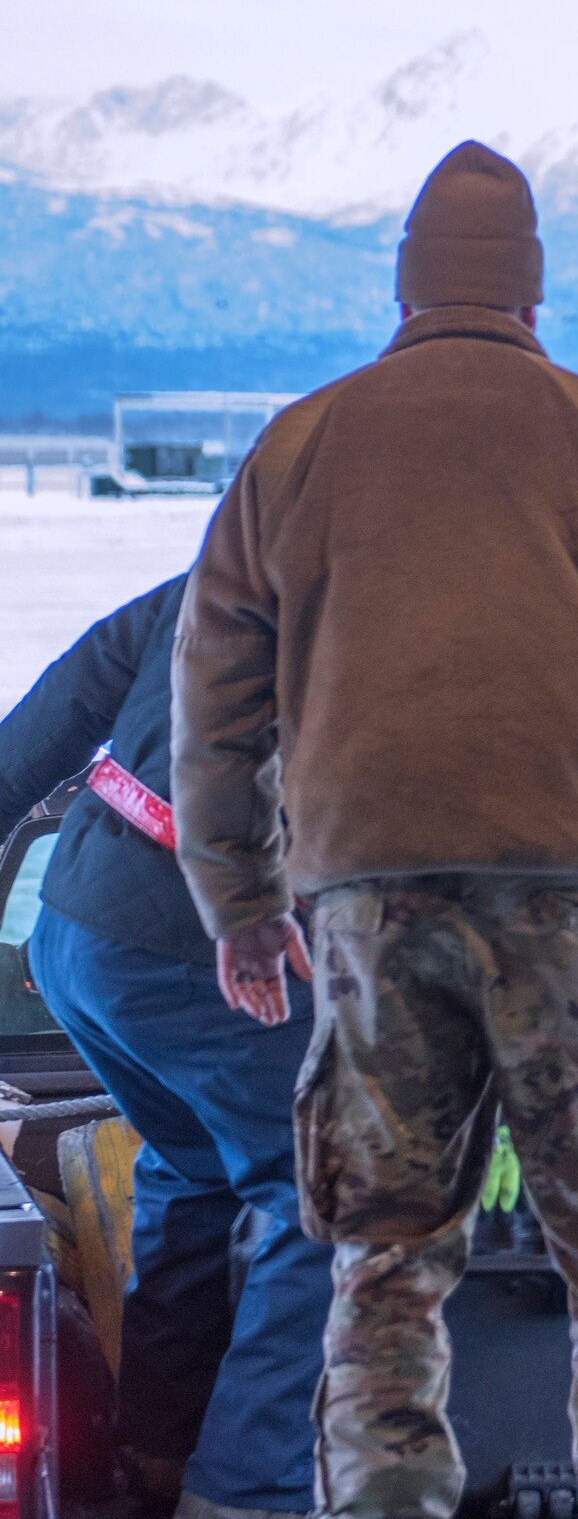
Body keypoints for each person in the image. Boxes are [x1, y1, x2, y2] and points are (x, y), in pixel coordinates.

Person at [170, 141, 578, 1519]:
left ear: (404, 288)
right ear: (532, 292)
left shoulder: (298, 445)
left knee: (385, 1260)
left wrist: (242, 901)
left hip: (371, 910)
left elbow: (211, 705)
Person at [0, 576, 332, 1519]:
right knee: (332, 1193)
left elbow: (70, 696)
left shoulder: (245, 554)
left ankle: (153, 1449)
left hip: (76, 933)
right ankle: (244, 1493)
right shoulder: (417, 596)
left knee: (197, 1168)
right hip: (196, 948)